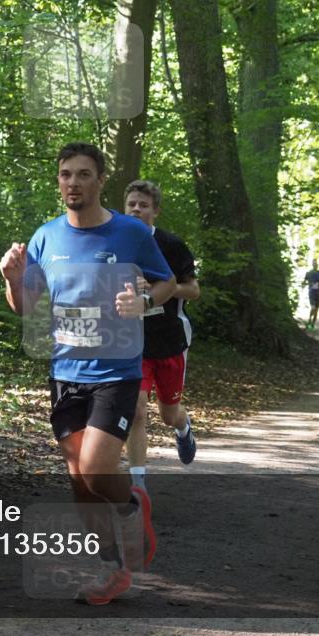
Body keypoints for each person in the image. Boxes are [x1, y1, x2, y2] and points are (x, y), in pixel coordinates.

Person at [0, 142, 176, 605]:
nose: (72, 183)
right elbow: (28, 309)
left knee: (98, 471)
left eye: (82, 174)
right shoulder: (45, 238)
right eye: (65, 175)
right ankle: (112, 569)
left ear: (100, 181)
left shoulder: (131, 233)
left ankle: (132, 504)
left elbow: (168, 282)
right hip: (65, 371)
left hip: (116, 370)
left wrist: (142, 302)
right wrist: (12, 279)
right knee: (79, 479)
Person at [123, 180, 200, 491]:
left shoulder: (171, 245)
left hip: (169, 339)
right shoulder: (115, 245)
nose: (137, 210)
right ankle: (138, 484)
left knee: (168, 415)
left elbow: (194, 290)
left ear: (155, 211)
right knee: (136, 409)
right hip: (132, 342)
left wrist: (159, 292)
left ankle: (183, 428)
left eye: (143, 205)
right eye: (132, 204)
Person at [301, 260, 319, 331]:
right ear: (312, 264)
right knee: (313, 308)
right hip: (311, 292)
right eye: (314, 264)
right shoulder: (308, 273)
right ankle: (309, 320)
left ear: (317, 265)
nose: (315, 265)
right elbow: (304, 282)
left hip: (318, 293)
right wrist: (307, 285)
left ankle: (312, 325)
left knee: (316, 310)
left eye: (316, 264)